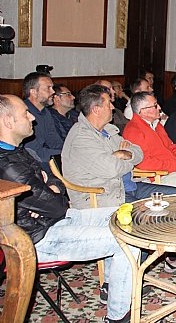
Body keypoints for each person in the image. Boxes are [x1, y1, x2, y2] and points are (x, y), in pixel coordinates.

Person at [0, 94, 138, 323]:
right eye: (25, 113)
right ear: (7, 121)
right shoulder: (8, 165)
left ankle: (111, 286)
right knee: (128, 239)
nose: (32, 117)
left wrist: (50, 188)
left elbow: (55, 182)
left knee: (123, 215)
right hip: (40, 237)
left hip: (53, 220)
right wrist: (49, 191)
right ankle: (117, 317)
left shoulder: (18, 151)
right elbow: (56, 205)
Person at [61, 85, 176, 278]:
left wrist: (121, 155)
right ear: (96, 109)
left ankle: (170, 257)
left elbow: (137, 152)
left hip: (127, 186)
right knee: (146, 214)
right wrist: (122, 156)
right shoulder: (81, 138)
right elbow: (112, 168)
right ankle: (130, 272)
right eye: (108, 104)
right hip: (103, 196)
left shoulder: (106, 130)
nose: (113, 107)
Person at [22, 72, 65, 171]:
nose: (53, 92)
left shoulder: (45, 112)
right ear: (33, 92)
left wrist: (70, 150)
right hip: (31, 165)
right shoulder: (24, 113)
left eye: (52, 88)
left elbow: (55, 142)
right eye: (48, 88)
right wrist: (65, 154)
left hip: (45, 159)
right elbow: (33, 152)